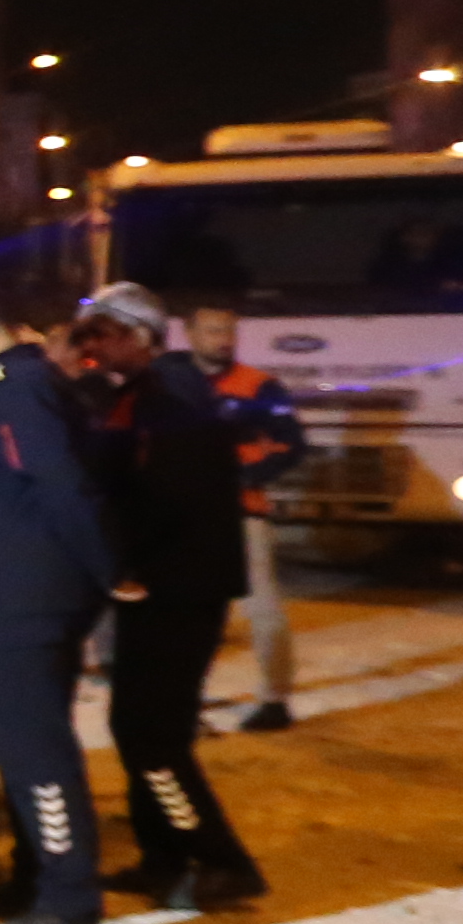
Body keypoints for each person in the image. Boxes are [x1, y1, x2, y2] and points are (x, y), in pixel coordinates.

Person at [0, 283, 122, 924]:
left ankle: (68, 907)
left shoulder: (16, 390)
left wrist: (109, 570)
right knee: (26, 747)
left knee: (36, 753)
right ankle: (38, 880)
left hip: (23, 602)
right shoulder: (26, 384)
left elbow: (63, 484)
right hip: (19, 596)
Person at [70, 281, 268, 907]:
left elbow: (165, 495)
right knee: (142, 723)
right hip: (164, 583)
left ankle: (219, 858)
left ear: (140, 338)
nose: (92, 345)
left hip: (177, 587)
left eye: (103, 333)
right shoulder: (140, 394)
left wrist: (119, 558)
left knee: (148, 731)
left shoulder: (169, 396)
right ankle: (162, 858)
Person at [182, 302, 306, 729]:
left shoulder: (260, 386)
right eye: (214, 330)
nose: (223, 339)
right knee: (190, 613)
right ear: (190, 333)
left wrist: (249, 476)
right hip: (186, 513)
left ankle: (275, 699)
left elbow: (292, 444)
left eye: (229, 331)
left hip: (241, 510)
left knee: (263, 608)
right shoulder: (171, 384)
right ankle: (186, 700)